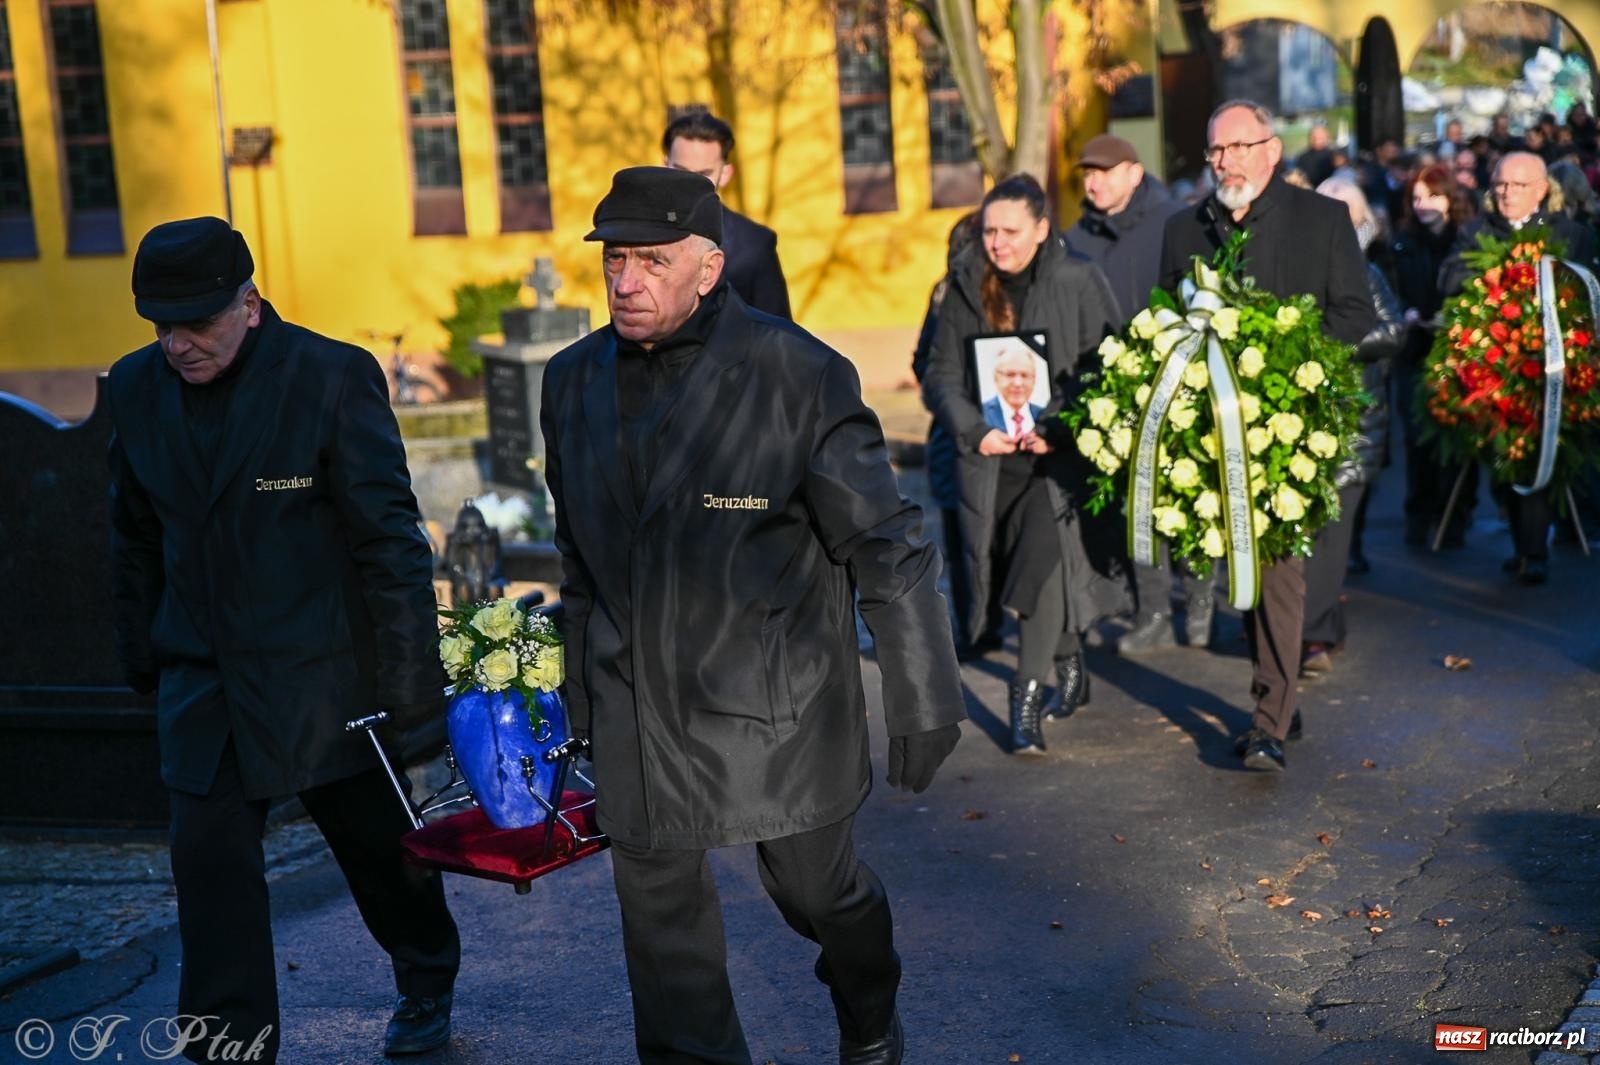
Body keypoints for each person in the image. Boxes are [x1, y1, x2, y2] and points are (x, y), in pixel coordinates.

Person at [540, 166, 965, 1065]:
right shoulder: (569, 382)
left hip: (778, 707)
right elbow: (578, 561)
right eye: (614, 259)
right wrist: (580, 704)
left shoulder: (798, 374)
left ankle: (869, 1004)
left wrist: (926, 695)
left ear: (708, 267)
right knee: (666, 949)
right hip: (637, 710)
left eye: (651, 261)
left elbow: (884, 543)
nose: (625, 280)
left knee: (817, 893)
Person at [107, 218, 460, 1061]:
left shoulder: (331, 377)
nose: (178, 343)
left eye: (198, 322)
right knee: (210, 858)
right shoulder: (133, 387)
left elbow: (389, 540)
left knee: (380, 850)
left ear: (250, 305)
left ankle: (425, 971)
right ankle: (228, 1040)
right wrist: (142, 649)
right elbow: (133, 533)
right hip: (205, 673)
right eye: (162, 325)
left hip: (325, 675)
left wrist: (413, 691)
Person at [1160, 100, 1375, 772]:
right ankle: (1277, 691)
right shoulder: (1185, 229)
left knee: (1278, 565)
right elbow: (1163, 317)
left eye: (1238, 147)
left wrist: (1291, 353)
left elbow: (1356, 314)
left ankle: (1267, 723)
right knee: (1243, 572)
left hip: (1293, 427)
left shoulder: (1324, 220)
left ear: (1272, 150)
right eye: (1215, 151)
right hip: (1212, 434)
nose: (1225, 162)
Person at [924, 173, 1128, 755]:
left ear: (1041, 229)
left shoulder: (1078, 279)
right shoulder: (965, 284)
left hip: (1058, 462)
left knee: (1036, 569)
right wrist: (972, 429)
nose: (996, 243)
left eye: (1010, 231)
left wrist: (1062, 428)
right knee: (1013, 568)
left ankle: (1025, 694)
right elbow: (940, 374)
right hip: (990, 463)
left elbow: (1108, 366)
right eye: (989, 230)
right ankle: (1068, 658)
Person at [1064, 133, 1210, 654]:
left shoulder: (1178, 220)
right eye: (1086, 173)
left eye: (1104, 171)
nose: (1093, 181)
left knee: (1190, 493)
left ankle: (1198, 599)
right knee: (1137, 503)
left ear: (1133, 172)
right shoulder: (1075, 238)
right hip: (1112, 393)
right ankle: (1151, 611)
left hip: (1180, 380)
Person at [1439, 151, 1600, 585]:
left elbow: (1585, 291)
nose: (1506, 193)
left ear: (1543, 190)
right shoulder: (1474, 232)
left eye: (1518, 185)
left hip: (1551, 365)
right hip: (1492, 366)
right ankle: (1521, 542)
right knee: (1501, 456)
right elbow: (1448, 279)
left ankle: (1535, 550)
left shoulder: (1572, 234)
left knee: (1538, 454)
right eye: (1501, 185)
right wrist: (1494, 278)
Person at [1300, 176, 1404, 677]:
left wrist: (1333, 341)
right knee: (1311, 533)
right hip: (1305, 422)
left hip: (1357, 424)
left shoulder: (1366, 273)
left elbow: (1392, 332)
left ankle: (1313, 637)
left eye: (1344, 213)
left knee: (1331, 536)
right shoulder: (1301, 268)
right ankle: (1323, 627)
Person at [912, 211, 1001, 659]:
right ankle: (979, 626)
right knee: (970, 534)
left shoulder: (950, 290)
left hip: (972, 431)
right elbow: (924, 363)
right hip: (964, 434)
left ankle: (978, 627)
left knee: (970, 536)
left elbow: (921, 363)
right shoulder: (950, 292)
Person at [1388, 163, 1479, 551]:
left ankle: (1454, 517)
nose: (1424, 205)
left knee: (1459, 438)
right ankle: (1419, 516)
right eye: (1418, 198)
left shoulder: (1467, 240)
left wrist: (1454, 317)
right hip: (1415, 350)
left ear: (1450, 198)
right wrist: (1405, 312)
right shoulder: (1402, 241)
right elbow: (1390, 289)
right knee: (1416, 440)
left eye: (1432, 196)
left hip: (1457, 351)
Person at [662, 110, 791, 319]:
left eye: (703, 175)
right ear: (664, 166)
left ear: (725, 174)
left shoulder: (753, 246)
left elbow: (778, 337)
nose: (691, 184)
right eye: (681, 171)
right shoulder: (635, 234)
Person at [982, 342, 1045, 433]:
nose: (1018, 383)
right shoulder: (979, 414)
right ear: (995, 378)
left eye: (1024, 375)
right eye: (1010, 375)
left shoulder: (1045, 415)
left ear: (1034, 380)